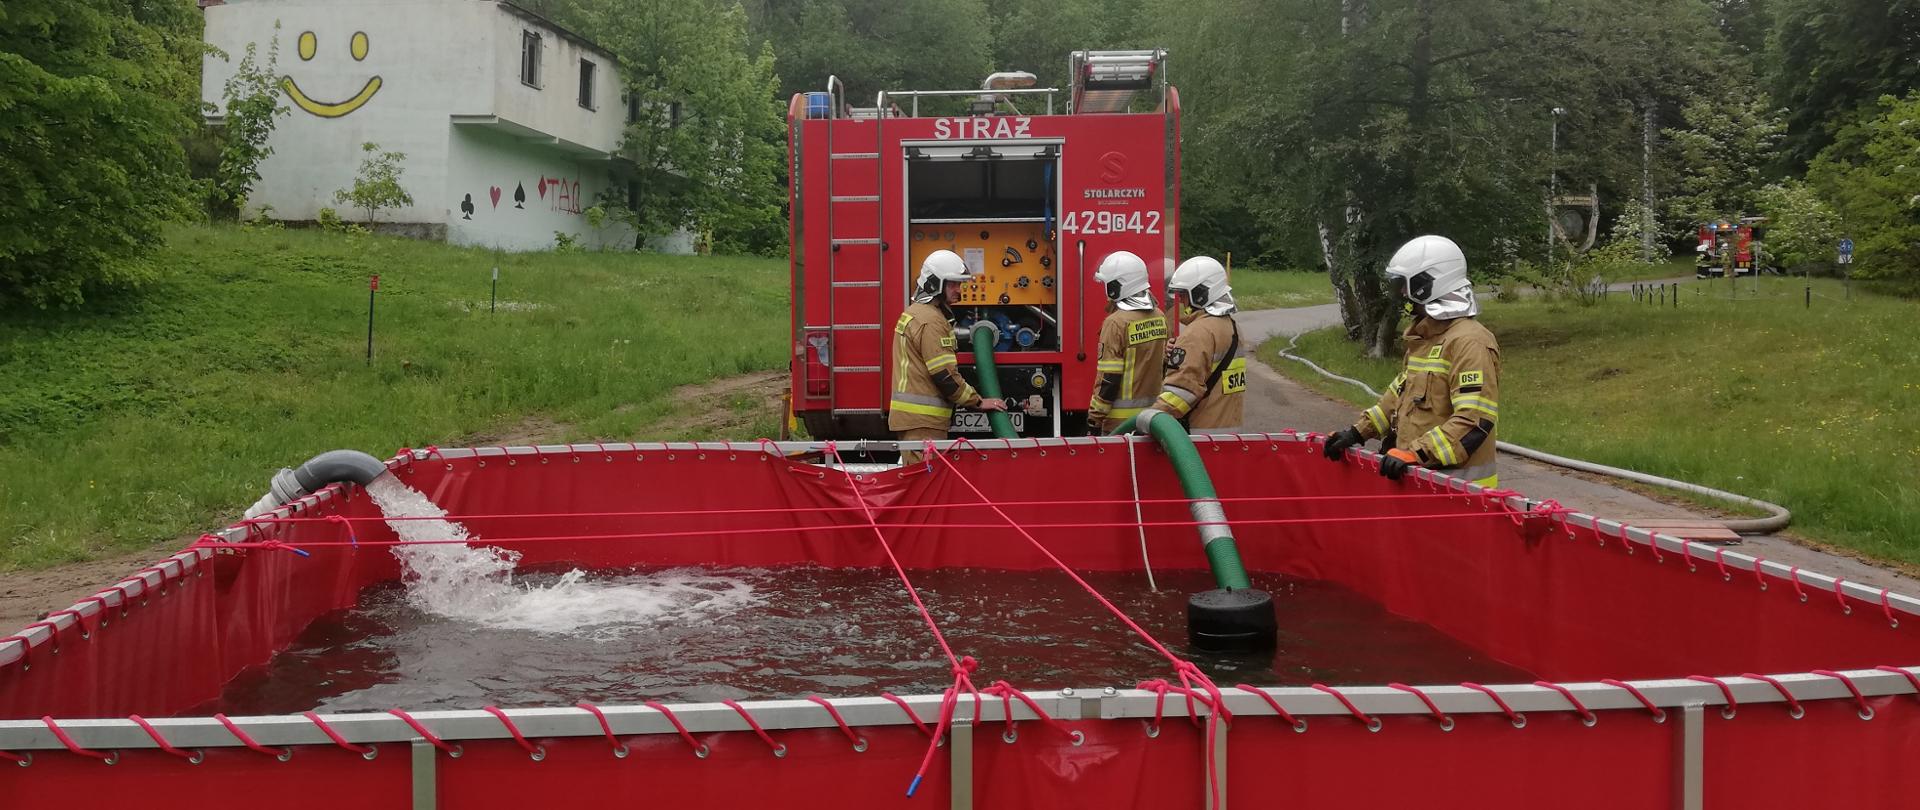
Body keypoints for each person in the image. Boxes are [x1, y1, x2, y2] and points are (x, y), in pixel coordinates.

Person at [1322, 235, 1501, 486]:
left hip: (1457, 495)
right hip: (1419, 483)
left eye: (1407, 285)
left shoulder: (1469, 342)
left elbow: (1474, 421)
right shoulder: (1424, 340)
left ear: (1429, 284)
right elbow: (1397, 400)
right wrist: (1355, 433)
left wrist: (1416, 454)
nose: (1403, 294)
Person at [889, 250, 1007, 463]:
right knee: (925, 488)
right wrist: (978, 402)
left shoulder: (915, 312)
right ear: (935, 284)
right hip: (924, 423)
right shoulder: (932, 321)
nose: (959, 290)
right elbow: (944, 376)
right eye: (953, 284)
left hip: (916, 422)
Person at [1147, 256, 1244, 433]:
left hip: (1200, 435)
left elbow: (1182, 392)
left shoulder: (1198, 332)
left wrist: (1150, 420)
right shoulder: (1232, 327)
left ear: (1200, 294)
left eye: (1184, 294)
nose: (1181, 301)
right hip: (1229, 433)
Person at [1087, 250, 1168, 434]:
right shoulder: (1160, 316)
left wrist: (1094, 419)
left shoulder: (1115, 323)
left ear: (1116, 286)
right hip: (1153, 420)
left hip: (1120, 424)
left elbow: (1109, 379)